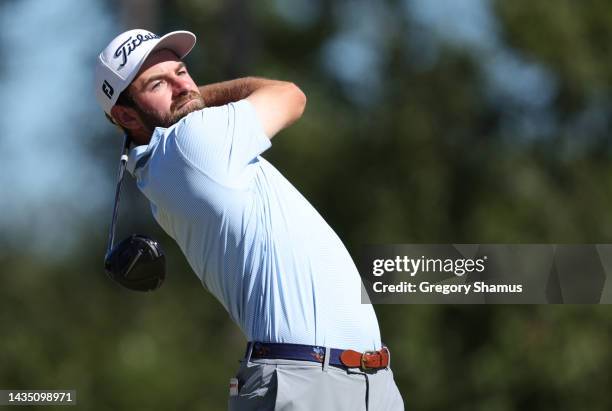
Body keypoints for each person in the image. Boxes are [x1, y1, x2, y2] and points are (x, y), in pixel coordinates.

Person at [95, 28, 404, 411]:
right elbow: (291, 96)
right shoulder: (190, 142)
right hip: (307, 382)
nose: (182, 85)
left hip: (359, 380)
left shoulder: (170, 162)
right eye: (158, 83)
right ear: (125, 114)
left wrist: (184, 95)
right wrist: (200, 95)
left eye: (182, 71)